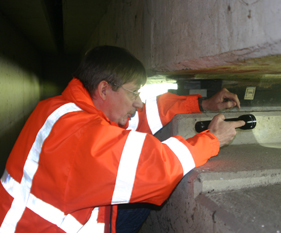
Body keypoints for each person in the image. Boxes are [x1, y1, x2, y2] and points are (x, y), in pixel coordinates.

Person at [0, 46, 245, 233]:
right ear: (105, 89)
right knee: (148, 194)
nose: (138, 102)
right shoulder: (80, 137)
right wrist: (212, 139)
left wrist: (201, 104)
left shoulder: (66, 108)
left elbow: (144, 115)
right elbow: (154, 167)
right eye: (134, 92)